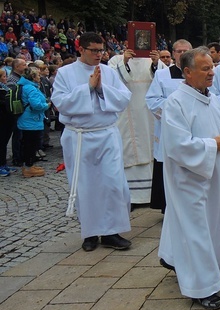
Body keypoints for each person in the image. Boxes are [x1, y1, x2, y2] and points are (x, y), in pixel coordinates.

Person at [157, 47, 220, 310]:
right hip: (188, 177)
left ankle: (176, 258)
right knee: (195, 230)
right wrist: (214, 144)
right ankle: (201, 287)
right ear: (188, 72)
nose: (212, 72)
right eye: (206, 69)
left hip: (214, 173)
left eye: (213, 66)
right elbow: (177, 146)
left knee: (212, 222)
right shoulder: (175, 103)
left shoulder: (211, 98)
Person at [51, 32, 133, 252]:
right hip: (79, 136)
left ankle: (111, 232)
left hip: (106, 133)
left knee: (113, 184)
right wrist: (87, 87)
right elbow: (59, 102)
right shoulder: (65, 73)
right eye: (94, 51)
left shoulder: (108, 72)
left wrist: (100, 88)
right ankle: (90, 233)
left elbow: (124, 97)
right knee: (85, 186)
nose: (99, 55)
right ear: (81, 49)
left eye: (101, 50)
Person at [108, 48, 167, 206]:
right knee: (128, 151)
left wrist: (156, 64)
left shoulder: (153, 61)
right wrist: (124, 63)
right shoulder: (116, 60)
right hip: (127, 114)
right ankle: (131, 197)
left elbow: (164, 80)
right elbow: (111, 81)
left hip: (148, 114)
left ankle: (151, 195)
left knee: (151, 149)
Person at [145, 39, 192, 213]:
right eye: (179, 51)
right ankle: (168, 207)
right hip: (169, 129)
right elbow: (152, 100)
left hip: (192, 129)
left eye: (186, 51)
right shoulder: (162, 75)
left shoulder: (197, 73)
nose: (182, 54)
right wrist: (176, 113)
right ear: (173, 54)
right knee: (168, 166)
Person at [17, 68, 49, 178]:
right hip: (31, 120)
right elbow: (36, 105)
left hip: (29, 120)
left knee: (29, 143)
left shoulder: (27, 86)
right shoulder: (30, 88)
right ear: (33, 77)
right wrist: (46, 106)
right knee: (31, 144)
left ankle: (29, 165)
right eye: (38, 75)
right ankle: (28, 167)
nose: (40, 77)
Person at [7, 58, 27, 167]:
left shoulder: (21, 77)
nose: (26, 67)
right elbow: (13, 95)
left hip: (23, 110)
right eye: (23, 65)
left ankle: (22, 155)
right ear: (17, 67)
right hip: (16, 111)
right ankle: (16, 157)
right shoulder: (12, 79)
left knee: (21, 134)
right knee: (17, 134)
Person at [0, 68, 17, 176]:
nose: (6, 78)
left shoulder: (4, 88)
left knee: (4, 143)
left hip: (7, 120)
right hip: (2, 120)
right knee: (1, 143)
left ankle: (3, 163)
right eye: (4, 76)